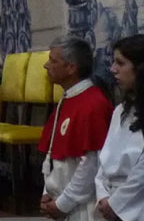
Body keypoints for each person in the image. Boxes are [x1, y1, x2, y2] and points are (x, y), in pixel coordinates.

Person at [36, 36, 113, 221]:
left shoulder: (93, 104)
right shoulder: (68, 98)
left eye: (53, 61)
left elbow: (90, 166)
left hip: (82, 208)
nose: (46, 66)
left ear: (71, 67)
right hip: (62, 201)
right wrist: (48, 191)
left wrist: (62, 204)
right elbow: (54, 155)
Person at [95, 35, 144, 221]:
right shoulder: (120, 110)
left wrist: (116, 204)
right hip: (109, 200)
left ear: (140, 68)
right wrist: (103, 196)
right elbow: (103, 162)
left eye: (120, 63)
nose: (113, 69)